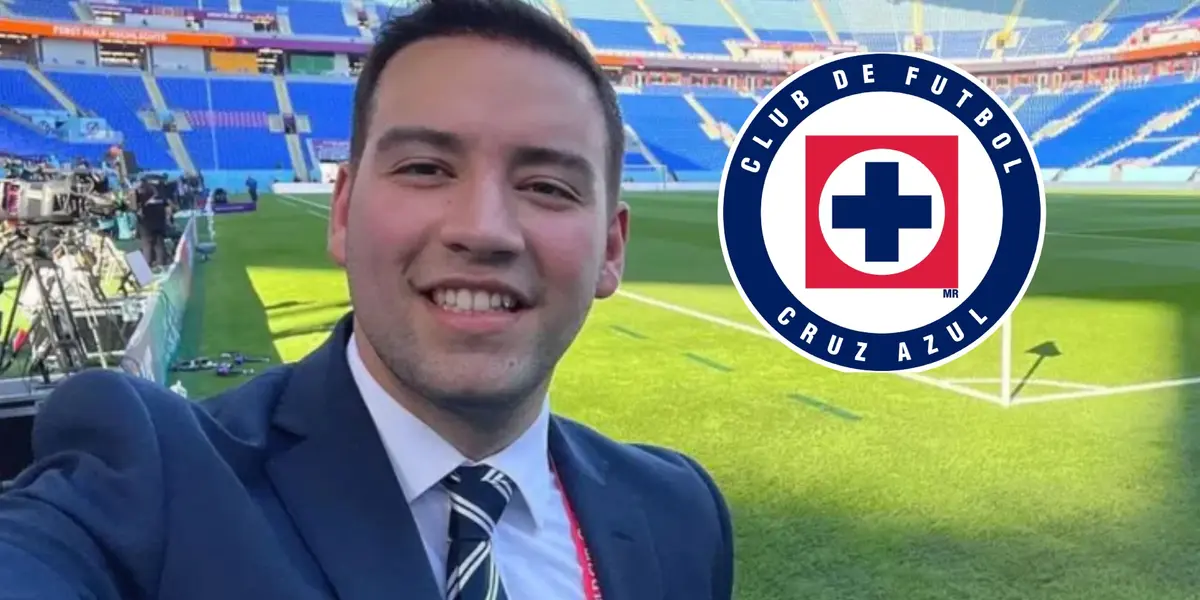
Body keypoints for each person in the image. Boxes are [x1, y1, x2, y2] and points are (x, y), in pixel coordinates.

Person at [0, 1, 734, 599]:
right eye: (424, 168)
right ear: (344, 214)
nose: (482, 229)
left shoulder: (679, 516)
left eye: (547, 186)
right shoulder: (152, 483)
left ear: (611, 250)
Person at [134, 178, 170, 270]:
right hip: (159, 222)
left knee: (147, 245)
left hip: (146, 223)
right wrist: (168, 220)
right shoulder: (161, 195)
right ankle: (161, 265)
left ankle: (146, 269)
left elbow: (135, 206)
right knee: (159, 244)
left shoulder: (143, 194)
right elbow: (168, 208)